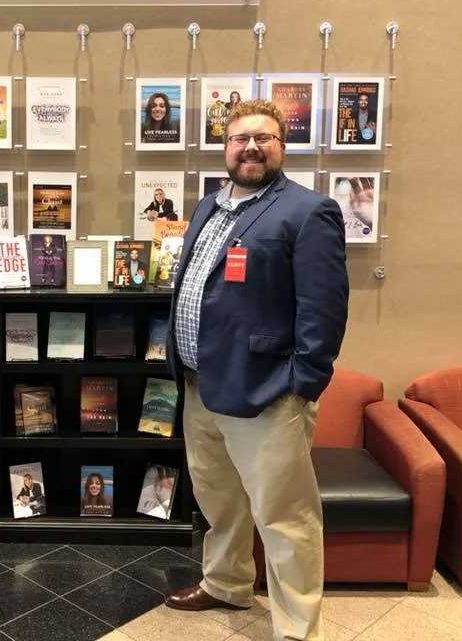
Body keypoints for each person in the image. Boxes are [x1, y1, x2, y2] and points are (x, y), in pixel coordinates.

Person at [163, 99, 349, 641]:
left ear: (281, 147)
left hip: (268, 392)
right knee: (219, 499)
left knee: (285, 517)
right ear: (225, 147)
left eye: (263, 137)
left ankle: (297, 629)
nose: (250, 146)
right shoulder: (206, 207)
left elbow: (324, 306)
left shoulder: (307, 211)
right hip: (201, 384)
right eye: (240, 137)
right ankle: (225, 582)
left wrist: (303, 384)